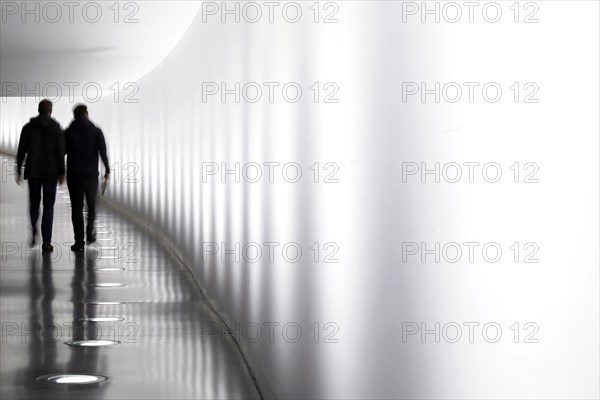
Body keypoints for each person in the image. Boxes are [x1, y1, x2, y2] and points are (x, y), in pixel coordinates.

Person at [16, 99, 65, 252]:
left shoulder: (28, 128)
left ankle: (33, 228)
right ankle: (47, 241)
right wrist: (62, 172)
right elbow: (60, 152)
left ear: (38, 110)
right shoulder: (56, 129)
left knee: (34, 203)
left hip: (33, 171)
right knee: (49, 206)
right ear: (50, 111)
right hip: (51, 172)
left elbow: (21, 150)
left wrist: (18, 169)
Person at [64, 104, 110, 252]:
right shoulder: (96, 131)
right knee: (91, 206)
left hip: (74, 175)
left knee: (76, 209)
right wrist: (107, 171)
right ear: (87, 114)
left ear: (74, 115)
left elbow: (61, 153)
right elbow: (102, 152)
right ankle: (89, 233)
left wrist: (59, 171)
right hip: (91, 175)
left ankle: (79, 242)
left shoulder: (68, 132)